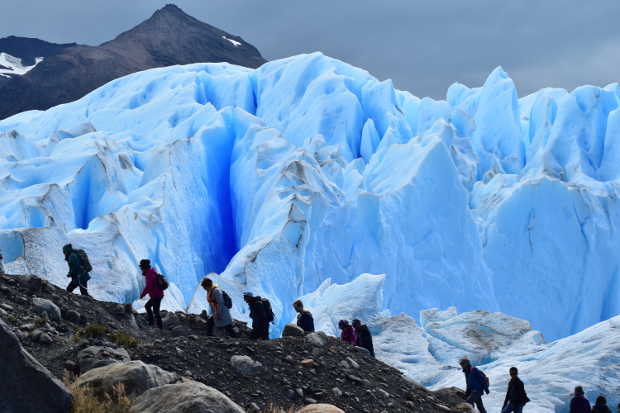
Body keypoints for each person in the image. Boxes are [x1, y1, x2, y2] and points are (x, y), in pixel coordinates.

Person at [139, 259, 164, 329]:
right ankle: (152, 323)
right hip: (157, 294)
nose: (141, 269)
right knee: (149, 307)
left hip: (156, 295)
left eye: (141, 267)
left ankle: (159, 327)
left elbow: (148, 287)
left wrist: (142, 295)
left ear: (144, 267)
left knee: (155, 311)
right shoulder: (152, 272)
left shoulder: (149, 275)